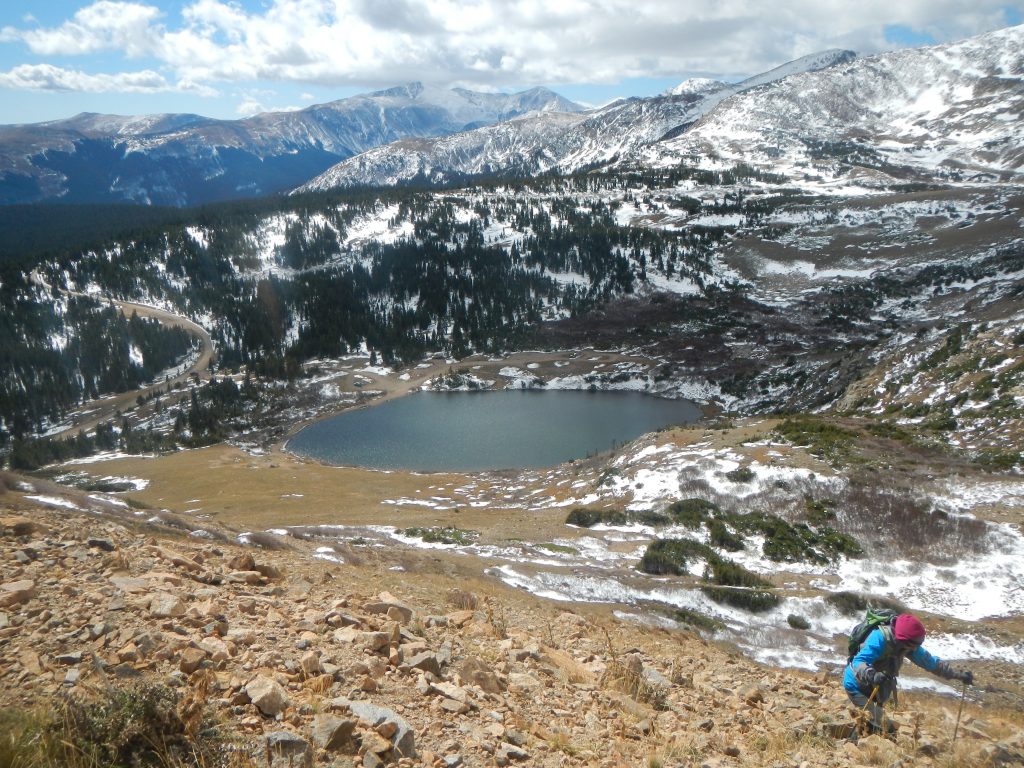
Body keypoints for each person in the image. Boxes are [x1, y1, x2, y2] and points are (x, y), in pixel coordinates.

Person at [843, 613, 973, 735]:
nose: (916, 649)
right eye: (914, 646)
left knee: (873, 726)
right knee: (887, 729)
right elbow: (858, 662)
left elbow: (931, 663)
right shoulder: (879, 638)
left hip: (875, 689)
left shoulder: (907, 644)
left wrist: (958, 675)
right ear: (904, 640)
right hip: (856, 686)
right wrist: (872, 675)